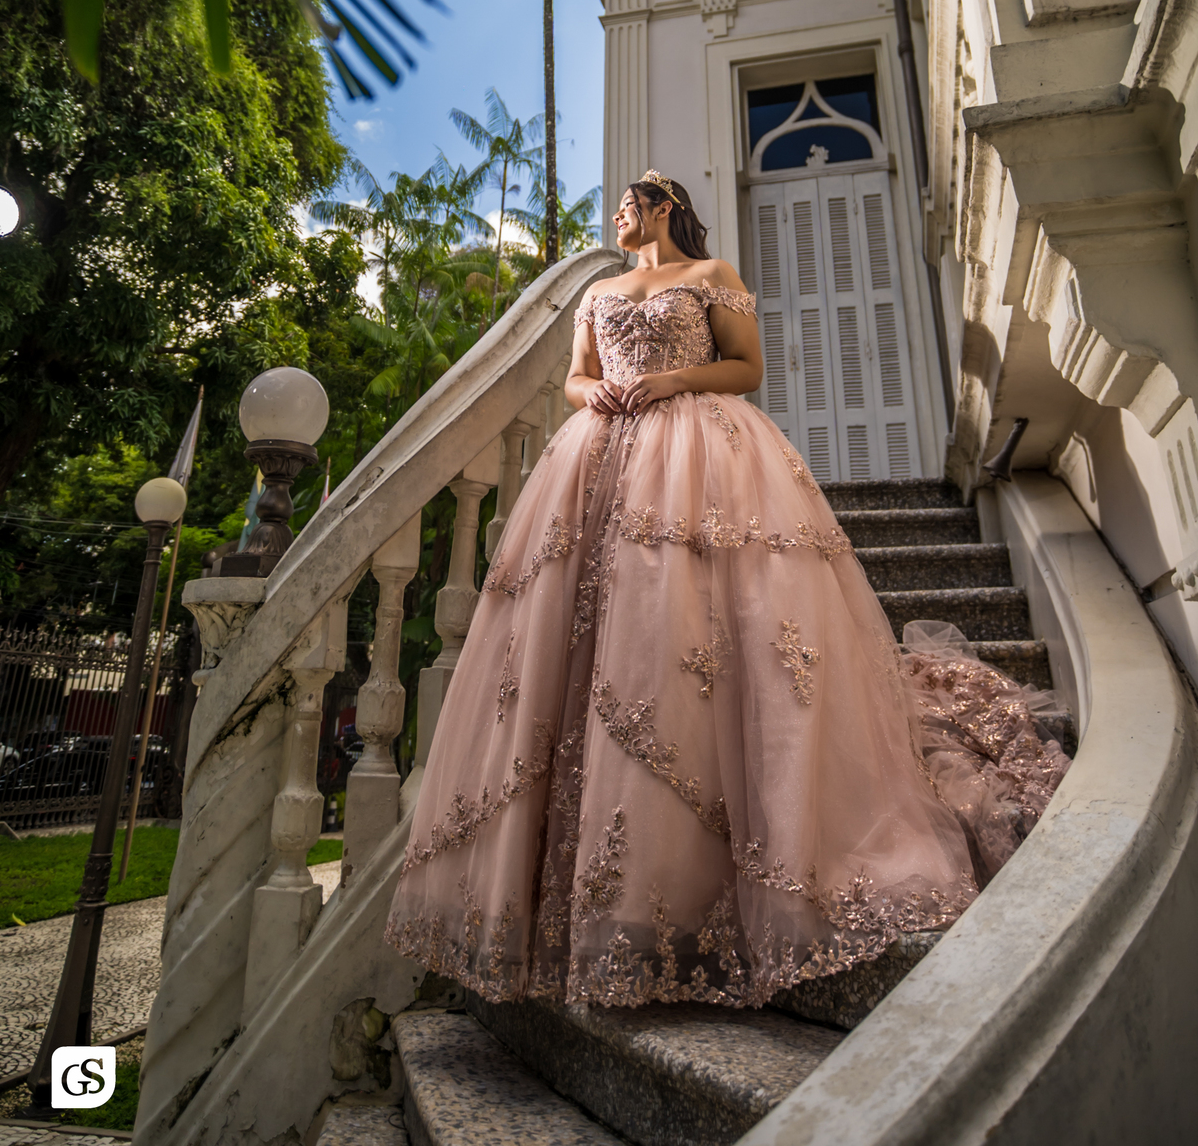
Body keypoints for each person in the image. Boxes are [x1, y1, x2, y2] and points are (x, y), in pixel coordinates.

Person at [386, 170, 1067, 1007]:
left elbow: (746, 370)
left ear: (665, 204)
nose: (619, 218)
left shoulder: (716, 279)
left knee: (696, 630)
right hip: (600, 456)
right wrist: (590, 393)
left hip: (701, 454)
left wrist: (670, 383)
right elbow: (573, 378)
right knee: (592, 638)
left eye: (630, 206)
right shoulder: (597, 291)